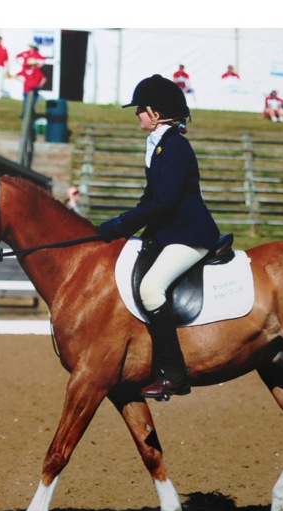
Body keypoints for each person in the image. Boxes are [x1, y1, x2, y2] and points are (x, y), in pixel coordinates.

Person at [96, 74, 222, 400]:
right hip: (169, 232)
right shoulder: (158, 144)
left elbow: (164, 203)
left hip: (189, 234)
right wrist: (117, 229)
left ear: (155, 113)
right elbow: (149, 200)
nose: (137, 113)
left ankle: (175, 374)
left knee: (151, 289)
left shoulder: (175, 146)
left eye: (140, 108)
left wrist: (118, 225)